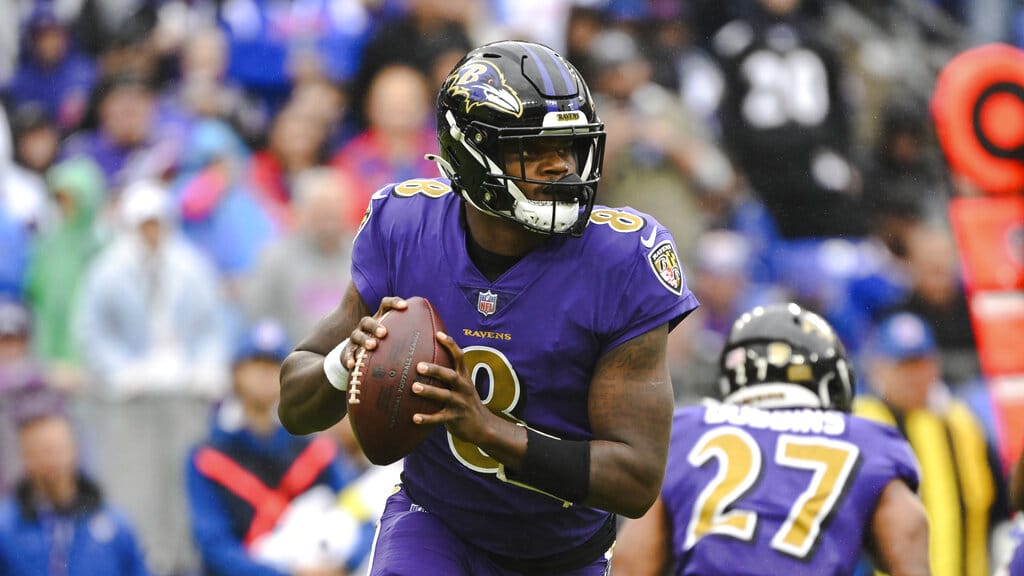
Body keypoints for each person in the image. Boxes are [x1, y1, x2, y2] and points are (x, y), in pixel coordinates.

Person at [278, 39, 699, 575]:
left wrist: (488, 429)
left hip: (560, 553)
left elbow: (636, 480)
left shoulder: (621, 260)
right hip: (435, 521)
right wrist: (345, 363)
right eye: (534, 149)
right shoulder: (406, 228)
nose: (561, 167)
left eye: (570, 148)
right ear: (472, 156)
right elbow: (294, 405)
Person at [613, 302, 930, 576]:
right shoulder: (866, 439)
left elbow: (631, 565)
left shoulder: (686, 429)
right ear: (830, 379)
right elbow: (910, 554)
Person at [186, 319, 371, 576]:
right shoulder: (208, 458)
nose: (265, 375)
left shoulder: (315, 450)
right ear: (236, 374)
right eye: (256, 364)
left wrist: (342, 565)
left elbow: (362, 517)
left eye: (274, 366)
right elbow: (214, 545)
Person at [854, 311, 1010, 576]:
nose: (913, 376)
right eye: (902, 365)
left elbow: (998, 507)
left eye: (920, 363)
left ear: (935, 365)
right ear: (878, 368)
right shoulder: (861, 423)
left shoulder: (962, 424)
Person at [0, 388, 149, 576]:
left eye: (54, 449)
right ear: (25, 457)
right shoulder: (6, 528)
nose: (48, 461)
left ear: (73, 449)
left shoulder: (114, 525)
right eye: (37, 451)